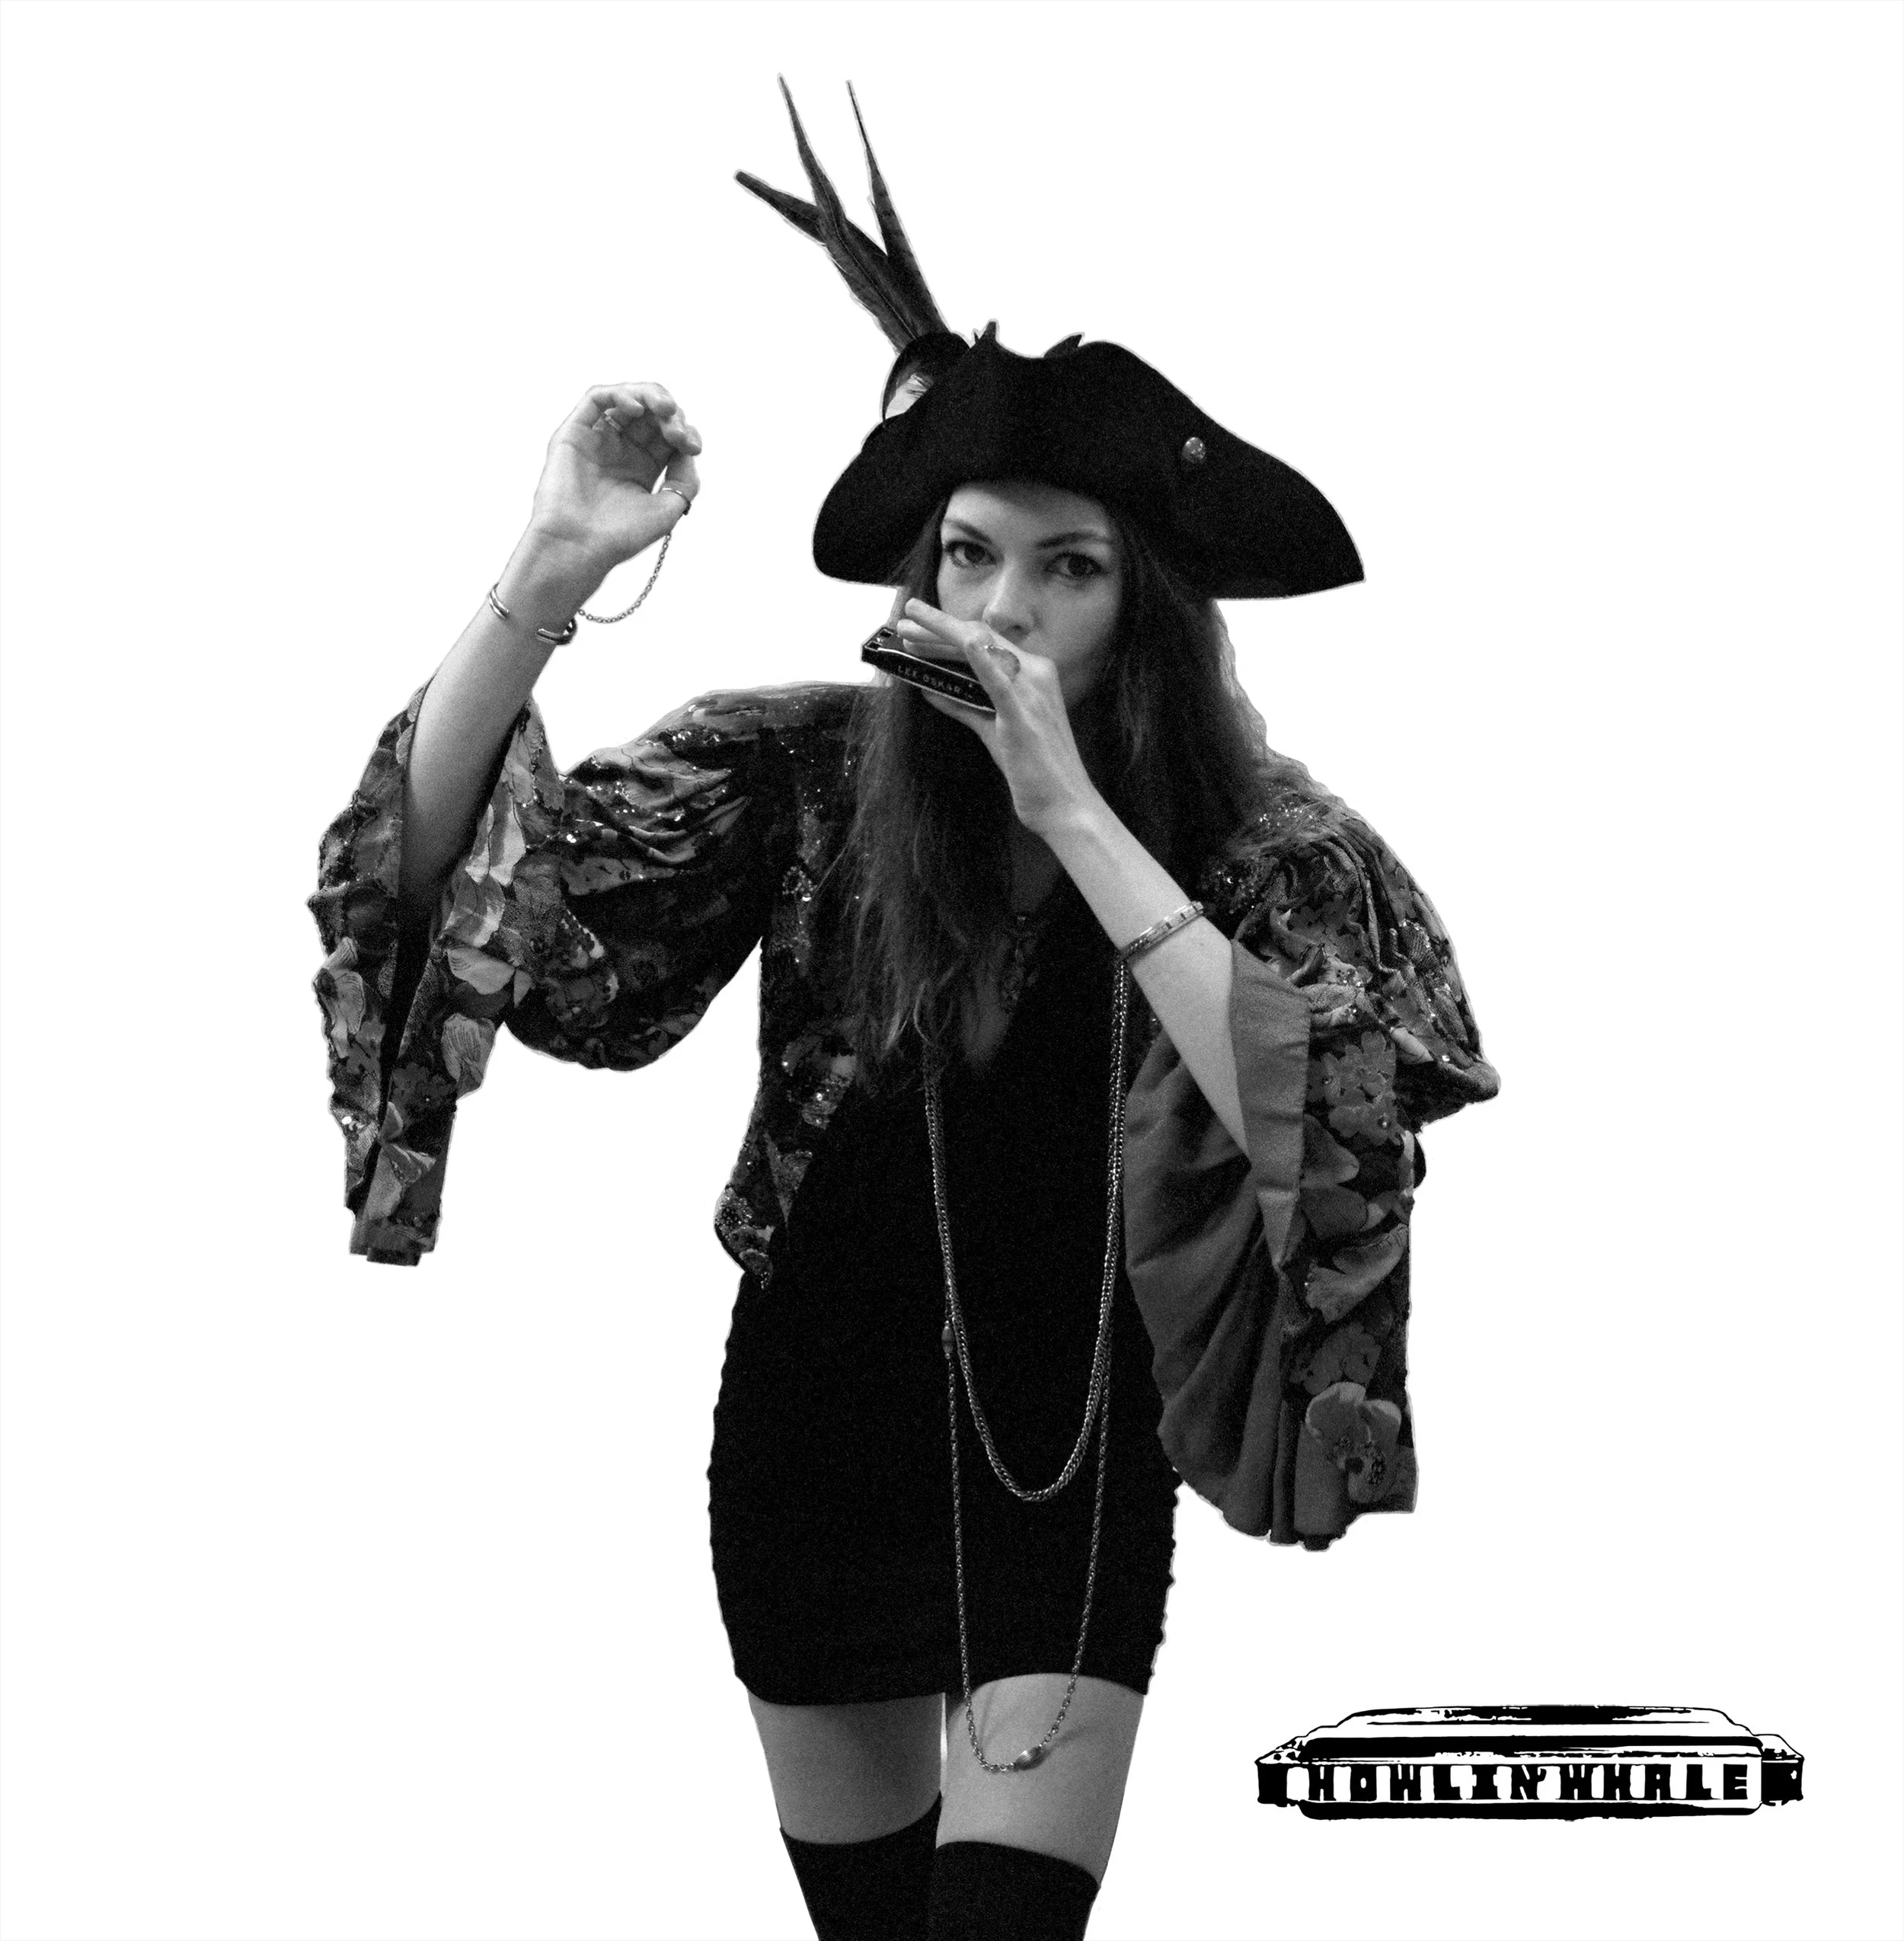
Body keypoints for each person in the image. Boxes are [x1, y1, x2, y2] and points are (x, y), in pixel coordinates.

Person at [309, 85, 1498, 1941]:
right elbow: (451, 895)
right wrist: (543, 580)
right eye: (966, 553)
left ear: (1145, 603)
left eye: (1067, 564)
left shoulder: (1264, 844)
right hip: (813, 1442)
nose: (1004, 604)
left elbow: (1327, 1102)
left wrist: (1071, 810)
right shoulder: (798, 769)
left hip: (1065, 1457)